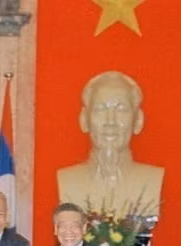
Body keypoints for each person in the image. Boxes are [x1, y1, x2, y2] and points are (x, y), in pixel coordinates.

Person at [57, 71, 163, 216]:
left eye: (121, 109)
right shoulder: (68, 180)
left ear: (138, 120)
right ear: (84, 120)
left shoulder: (151, 180)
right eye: (100, 109)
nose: (110, 121)